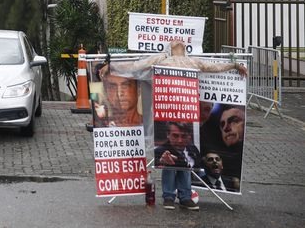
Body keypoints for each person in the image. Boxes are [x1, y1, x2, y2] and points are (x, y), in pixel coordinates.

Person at [99, 40, 248, 212]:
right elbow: (135, 66)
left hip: (187, 115)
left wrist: (235, 65)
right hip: (166, 115)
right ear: (169, 47)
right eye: (175, 40)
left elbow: (214, 67)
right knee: (168, 158)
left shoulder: (193, 62)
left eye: (182, 40)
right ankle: (169, 196)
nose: (179, 40)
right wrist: (110, 66)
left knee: (185, 160)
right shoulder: (160, 59)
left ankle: (185, 196)